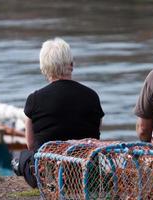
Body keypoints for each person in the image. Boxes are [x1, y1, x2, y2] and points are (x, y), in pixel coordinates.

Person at [12, 38, 104, 187]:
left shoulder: (34, 99)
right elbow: (96, 135)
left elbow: (30, 144)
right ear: (72, 65)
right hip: (86, 174)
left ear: (44, 68)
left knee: (22, 157)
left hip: (49, 175)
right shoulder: (92, 96)